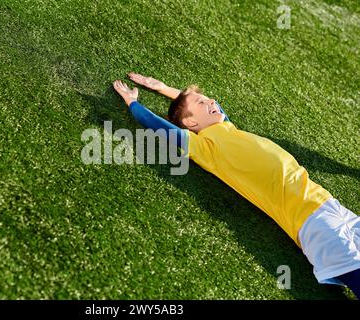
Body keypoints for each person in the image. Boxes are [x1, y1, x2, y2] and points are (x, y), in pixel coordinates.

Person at [112, 72, 360, 298]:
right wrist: (132, 102)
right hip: (312, 222)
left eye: (208, 99)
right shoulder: (206, 148)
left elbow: (200, 109)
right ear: (189, 123)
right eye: (201, 102)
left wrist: (164, 87)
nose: (211, 102)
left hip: (335, 208)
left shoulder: (227, 127)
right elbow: (161, 127)